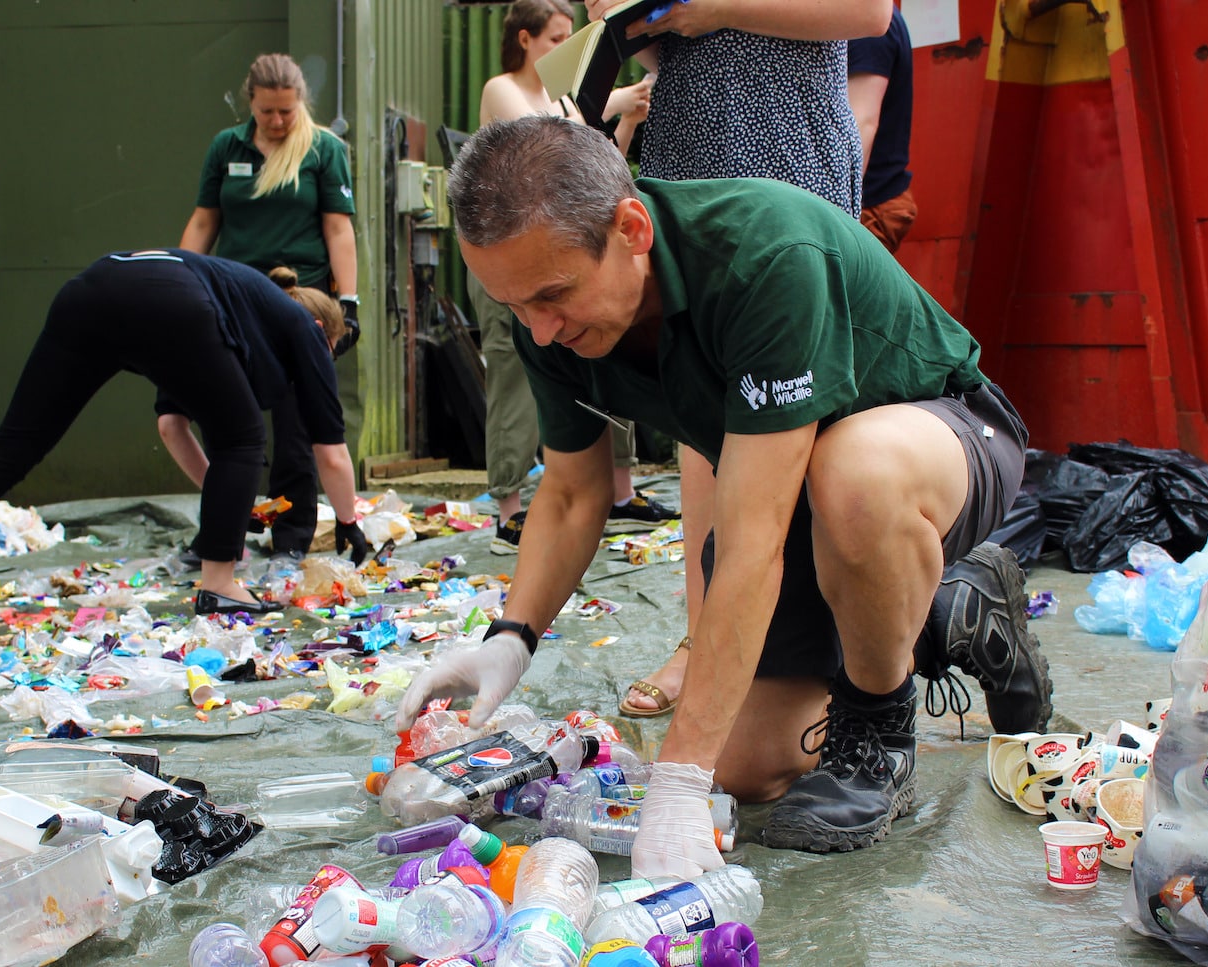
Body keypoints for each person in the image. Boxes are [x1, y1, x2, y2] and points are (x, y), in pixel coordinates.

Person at [397, 116, 1031, 875]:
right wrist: (512, 636)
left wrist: (676, 780)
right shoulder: (552, 312)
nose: (537, 330)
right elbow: (571, 492)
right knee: (748, 766)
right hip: (794, 498)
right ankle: (945, 618)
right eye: (514, 306)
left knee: (851, 474)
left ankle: (879, 731)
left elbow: (753, 544)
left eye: (552, 297)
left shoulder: (765, 252)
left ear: (631, 228)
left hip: (941, 448)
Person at [602, 0, 1047, 736]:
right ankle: (718, 633)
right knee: (706, 416)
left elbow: (871, 11)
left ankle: (880, 660)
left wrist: (708, 7)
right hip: (686, 148)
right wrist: (636, 21)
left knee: (813, 434)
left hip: (783, 149)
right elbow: (667, 55)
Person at [0, 250, 371, 634]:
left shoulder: (230, 317)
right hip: (167, 296)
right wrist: (349, 523)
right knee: (243, 439)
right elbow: (329, 452)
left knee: (14, 443)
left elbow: (171, 428)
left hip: (90, 289)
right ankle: (220, 584)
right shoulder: (301, 327)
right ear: (321, 333)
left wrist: (231, 502)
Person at [472, 0, 672, 554]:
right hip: (523, 262)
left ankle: (620, 489)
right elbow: (538, 144)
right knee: (515, 375)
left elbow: (599, 173)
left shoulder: (564, 99)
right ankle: (510, 505)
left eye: (571, 37)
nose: (566, 47)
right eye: (557, 37)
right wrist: (613, 100)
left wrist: (626, 119)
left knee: (610, 351)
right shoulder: (504, 90)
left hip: (573, 254)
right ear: (524, 40)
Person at [167, 52, 361, 562]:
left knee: (298, 426)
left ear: (302, 104)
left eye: (287, 112)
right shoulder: (225, 147)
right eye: (267, 112)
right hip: (233, 297)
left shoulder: (322, 149)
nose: (277, 122)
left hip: (297, 298)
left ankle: (291, 537)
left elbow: (338, 227)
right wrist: (181, 278)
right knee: (228, 417)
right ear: (249, 102)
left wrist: (350, 300)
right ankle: (224, 528)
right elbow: (205, 220)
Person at [849, 4, 917, 253]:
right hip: (869, 199)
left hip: (870, 207)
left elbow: (862, 122)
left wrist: (836, 215)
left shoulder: (870, 27)